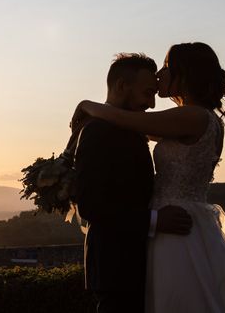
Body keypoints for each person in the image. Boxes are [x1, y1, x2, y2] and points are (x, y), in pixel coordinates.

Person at [72, 42, 225, 312]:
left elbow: (129, 120)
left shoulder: (193, 116)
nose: (160, 75)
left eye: (166, 68)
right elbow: (130, 125)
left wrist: (86, 105)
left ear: (185, 75)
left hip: (176, 227)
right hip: (176, 226)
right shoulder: (197, 120)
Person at [73, 53, 193, 313]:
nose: (151, 104)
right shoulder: (97, 131)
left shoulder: (130, 127)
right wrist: (154, 220)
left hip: (139, 262)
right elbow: (91, 205)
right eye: (147, 93)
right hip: (115, 266)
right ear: (121, 86)